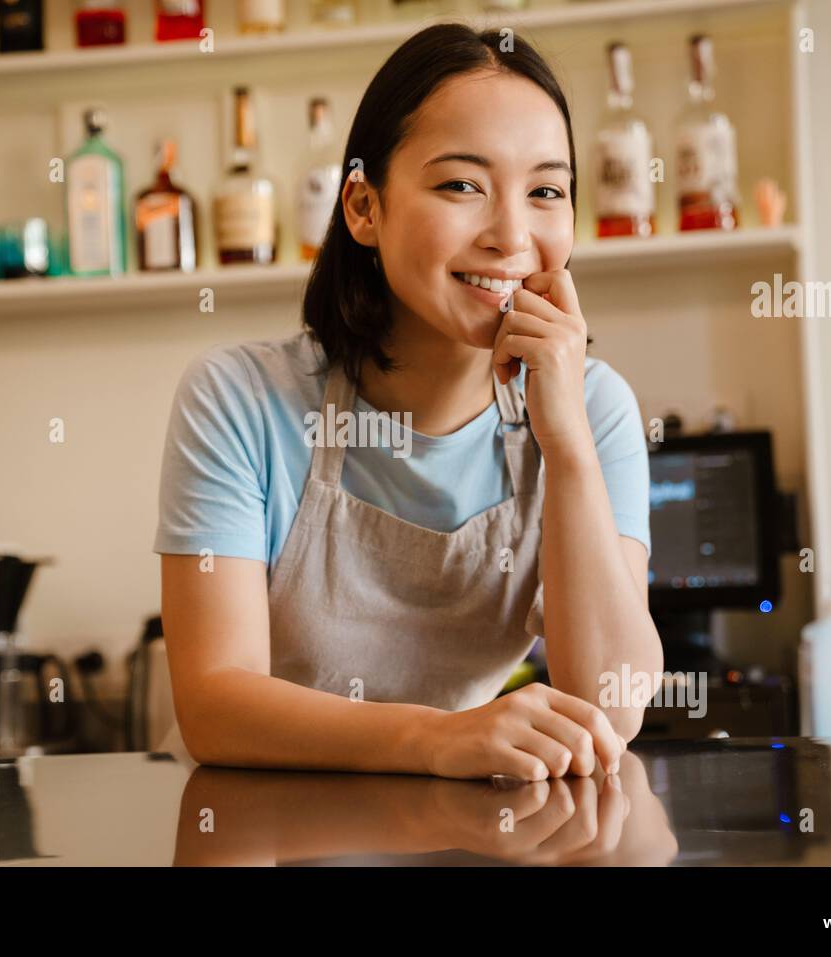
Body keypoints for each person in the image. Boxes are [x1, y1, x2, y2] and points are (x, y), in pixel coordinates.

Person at [153, 24, 662, 780]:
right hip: (259, 827)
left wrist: (568, 445)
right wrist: (436, 739)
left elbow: (611, 704)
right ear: (363, 207)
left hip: (461, 827)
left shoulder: (595, 407)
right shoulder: (237, 400)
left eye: (546, 191)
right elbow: (214, 703)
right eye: (462, 184)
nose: (511, 234)